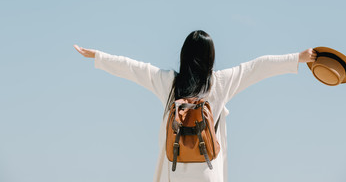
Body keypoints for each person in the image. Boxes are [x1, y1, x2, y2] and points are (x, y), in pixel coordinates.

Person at [73, 30, 317, 182]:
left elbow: (133, 67)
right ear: (211, 56)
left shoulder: (170, 83)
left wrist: (99, 56)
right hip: (207, 172)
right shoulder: (220, 83)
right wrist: (298, 57)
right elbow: (258, 66)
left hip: (175, 169)